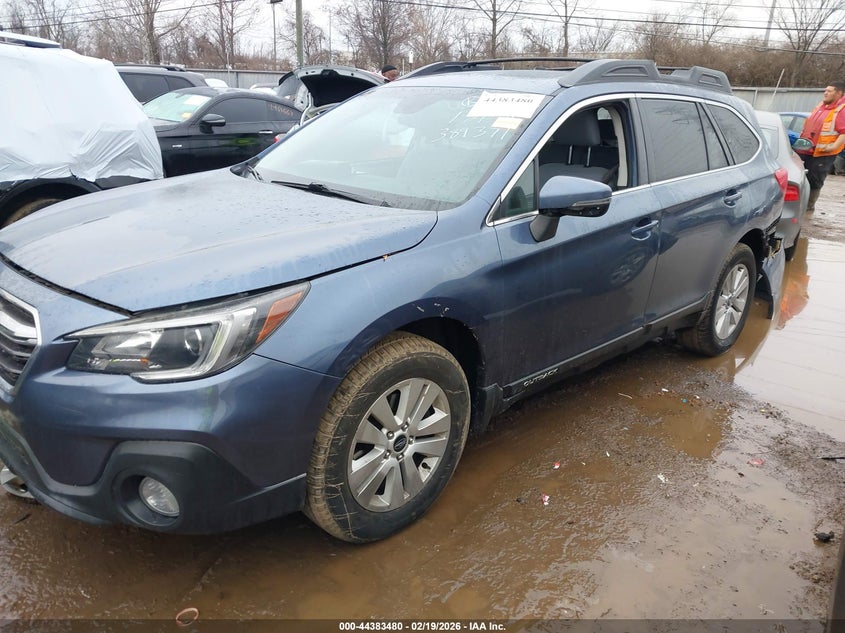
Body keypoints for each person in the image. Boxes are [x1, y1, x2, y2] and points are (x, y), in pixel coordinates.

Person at [795, 81, 845, 212]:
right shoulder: (821, 106)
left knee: (814, 180)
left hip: (822, 153)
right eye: (825, 90)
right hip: (806, 150)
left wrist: (832, 147)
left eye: (829, 91)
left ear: (839, 93)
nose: (825, 93)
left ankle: (808, 208)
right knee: (799, 178)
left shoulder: (841, 110)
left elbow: (843, 132)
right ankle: (797, 206)